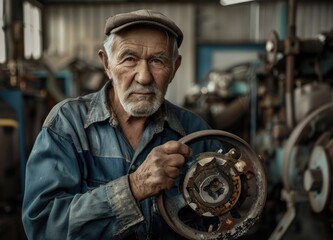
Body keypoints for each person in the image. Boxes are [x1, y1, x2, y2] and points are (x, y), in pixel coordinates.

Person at [22, 9, 218, 240]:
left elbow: (218, 221)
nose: (144, 77)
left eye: (158, 60)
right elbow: (43, 226)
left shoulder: (195, 132)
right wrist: (133, 187)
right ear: (107, 63)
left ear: (174, 67)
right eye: (129, 59)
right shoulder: (67, 125)